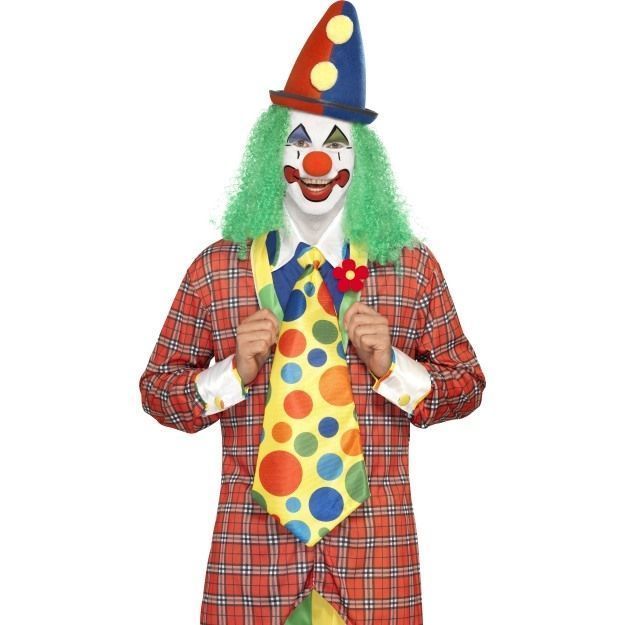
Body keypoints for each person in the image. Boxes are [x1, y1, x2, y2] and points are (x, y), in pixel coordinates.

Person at [139, 2, 486, 624]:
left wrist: (393, 366)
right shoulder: (217, 271)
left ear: (362, 164)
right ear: (270, 156)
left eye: (336, 145)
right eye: (299, 141)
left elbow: (468, 387)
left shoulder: (410, 268)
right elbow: (156, 392)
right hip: (253, 564)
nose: (317, 162)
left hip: (374, 564)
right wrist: (229, 375)